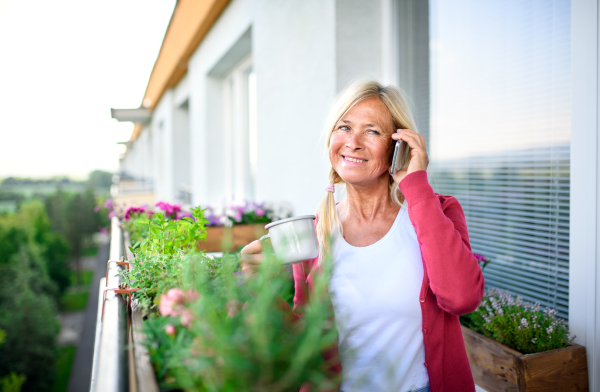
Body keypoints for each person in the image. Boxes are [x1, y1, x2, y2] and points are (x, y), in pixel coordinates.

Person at [241, 80, 485, 392]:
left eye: (372, 131)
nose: (353, 142)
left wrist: (417, 185)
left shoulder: (436, 211)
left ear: (398, 147)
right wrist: (262, 291)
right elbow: (305, 347)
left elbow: (462, 297)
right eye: (344, 127)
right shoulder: (314, 230)